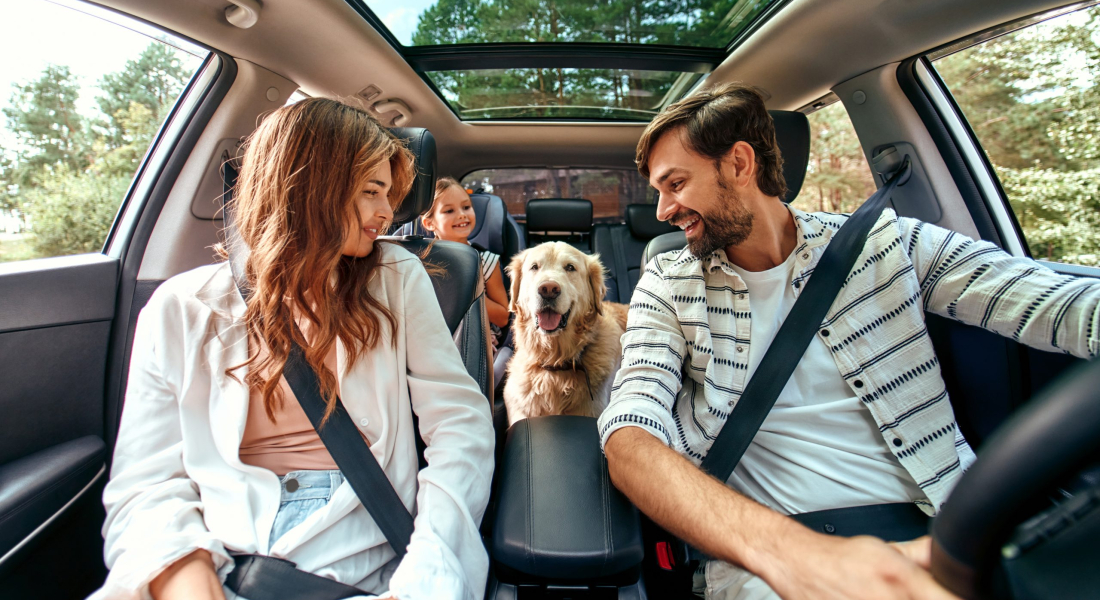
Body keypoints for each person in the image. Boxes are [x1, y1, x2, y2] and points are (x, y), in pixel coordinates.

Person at [598, 82, 1100, 600]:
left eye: (675, 184)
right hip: (770, 557)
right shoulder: (668, 280)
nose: (661, 210)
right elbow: (631, 435)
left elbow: (1058, 305)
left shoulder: (887, 242)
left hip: (947, 533)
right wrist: (800, 559)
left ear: (740, 164)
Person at [92, 98, 495, 600]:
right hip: (222, 553)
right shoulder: (179, 308)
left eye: (389, 195)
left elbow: (460, 425)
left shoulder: (397, 278)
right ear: (308, 186)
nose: (387, 213)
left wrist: (429, 575)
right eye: (372, 191)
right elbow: (146, 482)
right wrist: (184, 574)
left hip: (364, 559)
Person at [420, 176, 510, 347]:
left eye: (466, 207)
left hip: (475, 340)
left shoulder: (487, 262)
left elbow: (503, 317)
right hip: (430, 339)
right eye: (449, 211)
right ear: (429, 223)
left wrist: (465, 291)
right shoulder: (420, 262)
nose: (462, 215)